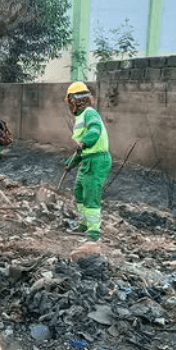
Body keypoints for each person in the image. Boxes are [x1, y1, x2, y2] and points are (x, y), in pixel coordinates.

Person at [63, 82, 112, 241]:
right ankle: (84, 224)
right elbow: (81, 149)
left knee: (91, 194)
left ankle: (93, 232)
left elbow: (95, 130)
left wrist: (85, 141)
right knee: (79, 191)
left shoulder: (90, 113)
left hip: (98, 160)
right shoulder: (81, 116)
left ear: (74, 100)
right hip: (88, 159)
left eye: (70, 101)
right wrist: (71, 163)